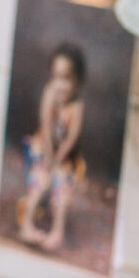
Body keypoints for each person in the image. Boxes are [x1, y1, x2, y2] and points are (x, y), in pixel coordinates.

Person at [14, 45, 86, 248]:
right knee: (41, 178)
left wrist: (59, 159)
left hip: (64, 155)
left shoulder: (77, 105)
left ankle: (57, 231)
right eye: (56, 77)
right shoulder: (49, 93)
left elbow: (72, 137)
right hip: (42, 149)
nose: (60, 85)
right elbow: (46, 126)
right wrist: (49, 159)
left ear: (78, 80)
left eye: (66, 78)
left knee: (63, 183)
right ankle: (26, 226)